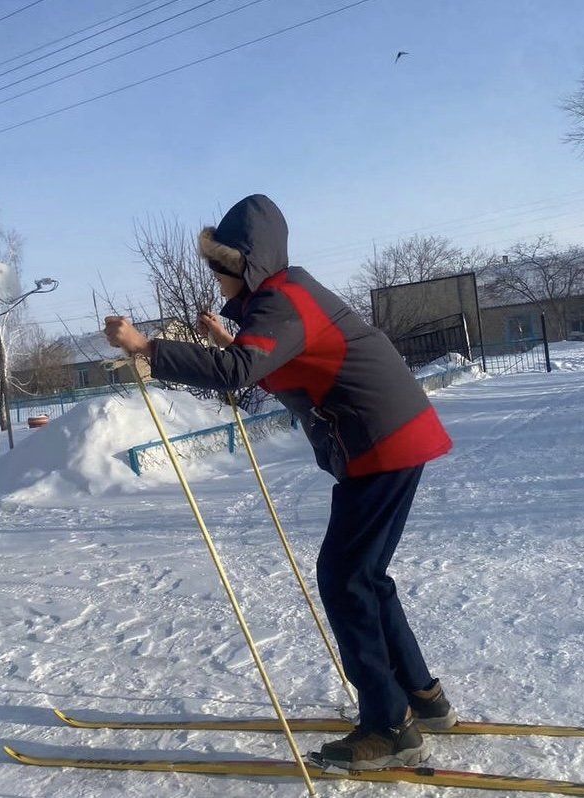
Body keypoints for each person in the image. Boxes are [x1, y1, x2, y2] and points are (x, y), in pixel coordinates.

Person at [104, 194, 457, 771]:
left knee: (345, 580)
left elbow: (242, 371)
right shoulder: (285, 298)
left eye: (220, 265)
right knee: (364, 576)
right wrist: (228, 345)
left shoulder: (283, 302)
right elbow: (283, 369)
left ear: (247, 263)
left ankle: (390, 727)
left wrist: (147, 347)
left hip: (382, 441)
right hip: (389, 437)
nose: (214, 276)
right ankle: (423, 698)